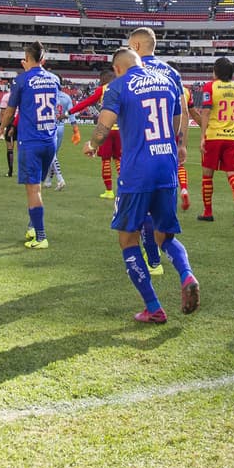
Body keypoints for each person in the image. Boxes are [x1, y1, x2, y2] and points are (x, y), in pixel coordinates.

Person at [86, 47, 199, 323]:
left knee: (127, 239)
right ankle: (186, 274)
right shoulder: (167, 81)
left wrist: (93, 143)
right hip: (166, 168)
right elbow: (177, 125)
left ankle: (154, 307)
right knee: (164, 236)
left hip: (137, 171)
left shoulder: (118, 85)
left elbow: (105, 124)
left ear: (119, 68)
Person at [128, 26, 191, 270]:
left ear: (135, 46)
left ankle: (152, 260)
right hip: (165, 149)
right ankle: (167, 263)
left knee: (140, 209)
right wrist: (181, 143)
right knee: (160, 209)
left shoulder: (131, 71)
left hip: (138, 150)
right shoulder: (172, 73)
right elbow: (183, 111)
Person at [0, 41, 61, 249]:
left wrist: (2, 127)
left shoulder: (21, 80)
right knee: (38, 187)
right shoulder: (54, 79)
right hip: (49, 139)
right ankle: (33, 227)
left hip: (30, 141)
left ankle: (41, 236)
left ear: (26, 58)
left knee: (33, 189)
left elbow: (10, 110)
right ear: (43, 59)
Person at [193, 57, 234, 225]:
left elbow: (206, 112)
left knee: (207, 176)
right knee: (232, 174)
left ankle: (208, 212)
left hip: (214, 136)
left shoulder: (210, 86)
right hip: (232, 137)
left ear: (216, 71)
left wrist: (202, 136)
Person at [71, 71, 119, 199]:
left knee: (106, 160)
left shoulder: (102, 89)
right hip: (121, 130)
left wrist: (70, 111)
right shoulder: (122, 87)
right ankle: (125, 188)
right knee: (119, 160)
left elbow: (86, 102)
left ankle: (109, 191)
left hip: (106, 128)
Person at [45, 85, 76, 191]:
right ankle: (48, 180)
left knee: (52, 155)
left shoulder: (48, 95)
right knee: (53, 155)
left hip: (50, 127)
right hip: (61, 127)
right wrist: (75, 127)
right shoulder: (66, 97)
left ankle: (60, 179)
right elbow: (71, 113)